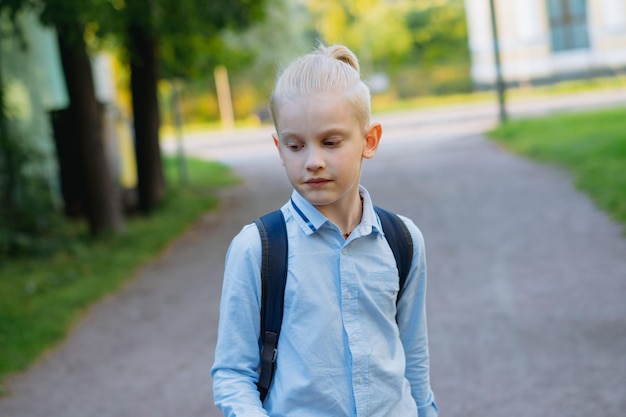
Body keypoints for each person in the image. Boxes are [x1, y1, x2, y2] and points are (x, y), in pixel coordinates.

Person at [211, 43, 438, 417]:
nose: (313, 161)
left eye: (330, 143)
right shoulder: (258, 249)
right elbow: (233, 374)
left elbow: (413, 354)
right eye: (295, 145)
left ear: (369, 140)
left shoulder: (403, 240)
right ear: (279, 148)